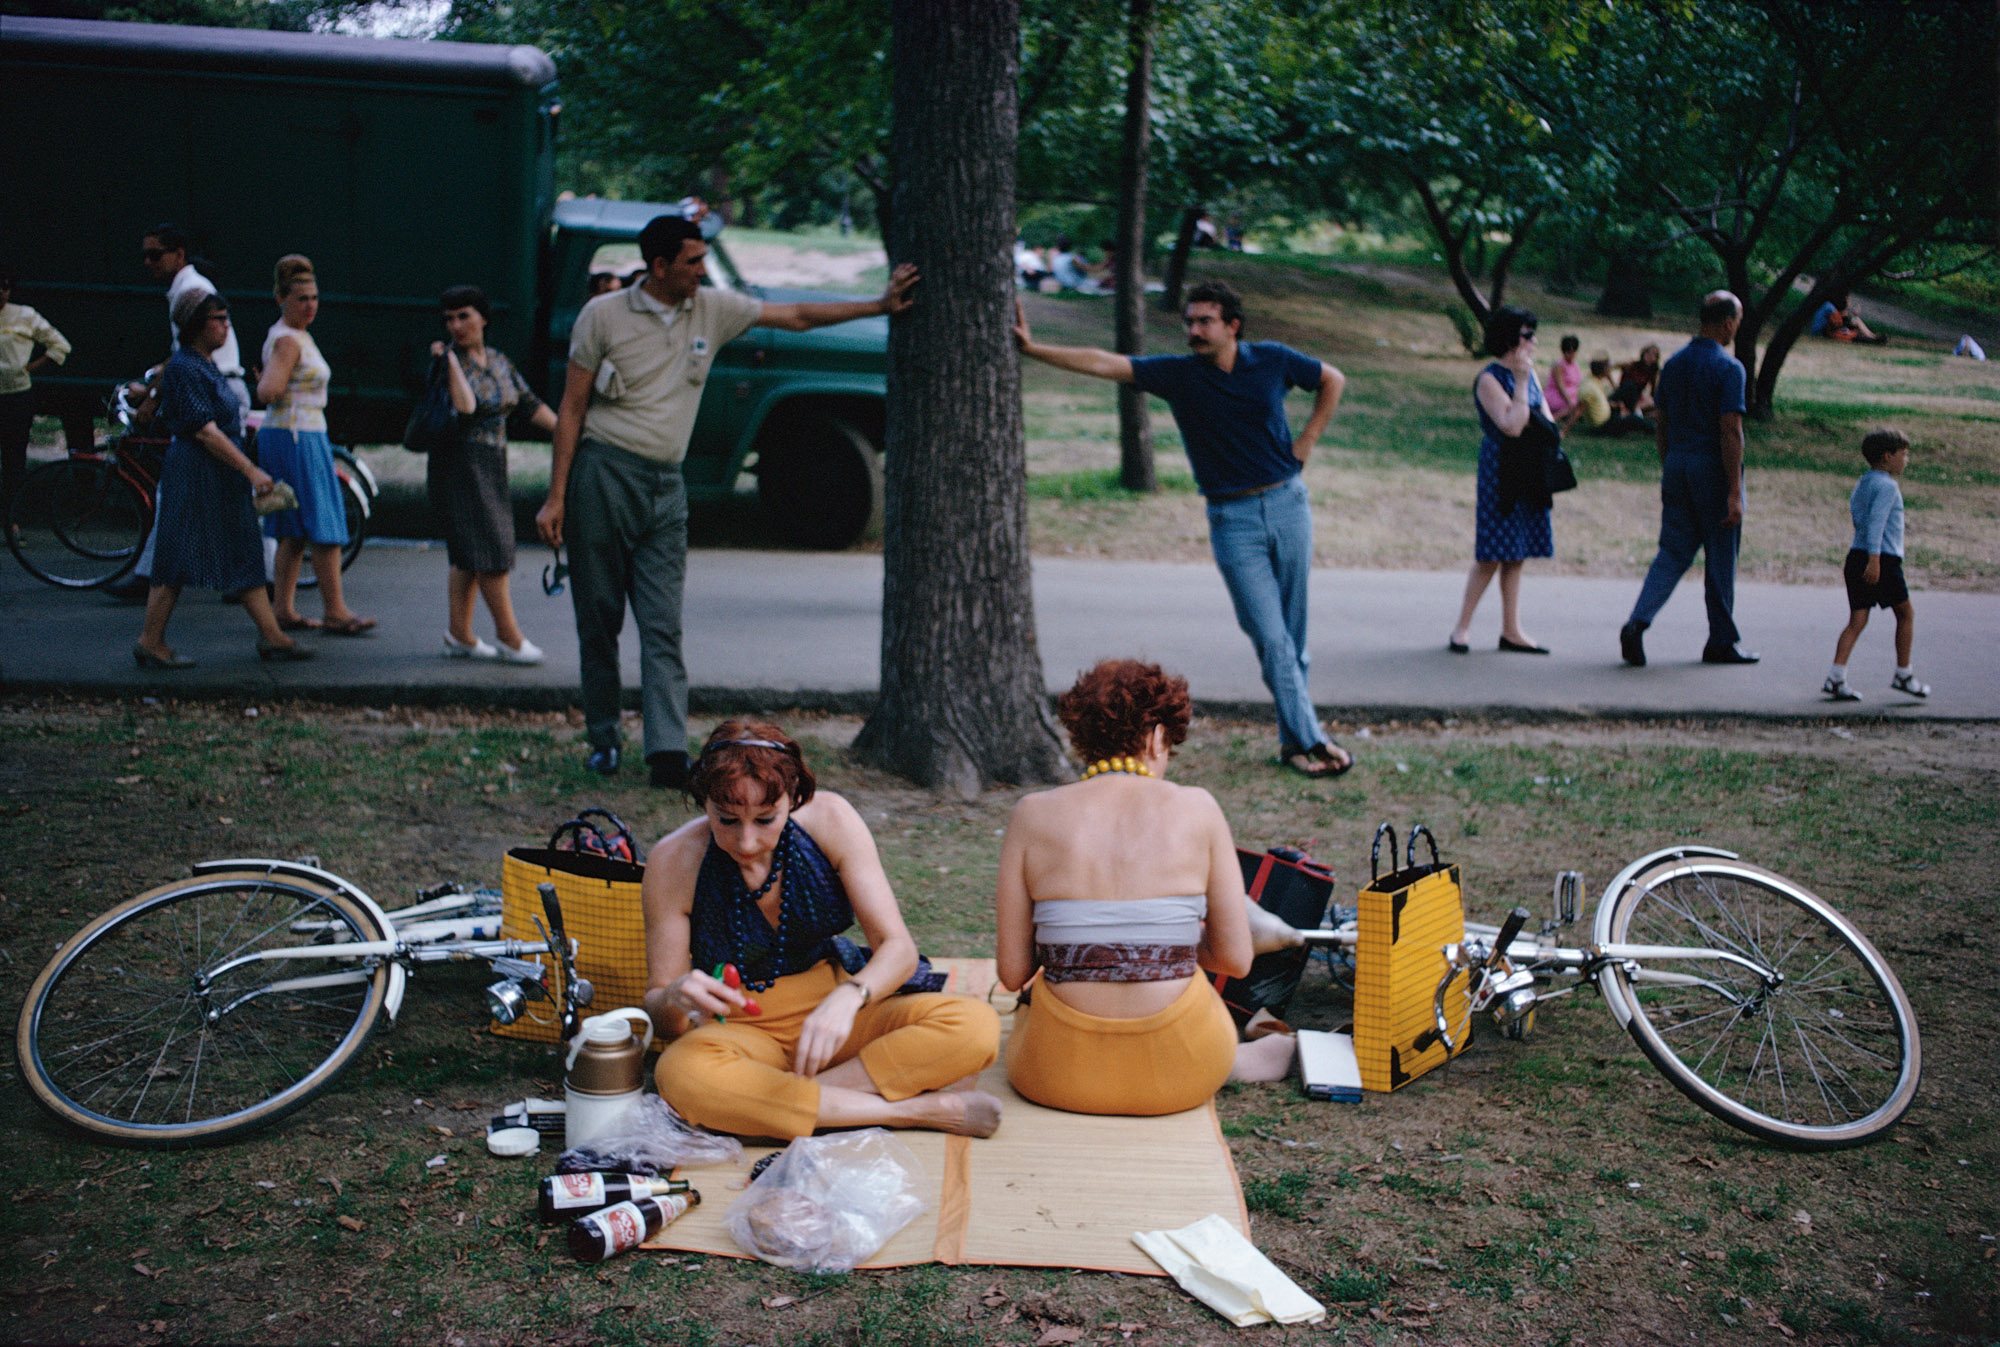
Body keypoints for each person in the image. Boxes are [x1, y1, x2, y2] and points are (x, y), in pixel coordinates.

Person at [536, 214, 919, 785]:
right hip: (604, 474)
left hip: (667, 485)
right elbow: (571, 408)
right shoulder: (603, 315)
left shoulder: (710, 309)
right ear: (659, 266)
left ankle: (666, 753)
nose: (702, 270)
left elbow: (796, 316)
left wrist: (879, 305)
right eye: (692, 261)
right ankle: (604, 740)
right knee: (599, 620)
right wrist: (556, 497)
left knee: (663, 625)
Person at [1015, 281, 1353, 779]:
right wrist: (1034, 349)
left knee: (1291, 641)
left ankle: (1292, 742)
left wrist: (1308, 439)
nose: (1193, 330)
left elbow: (1332, 379)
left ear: (1232, 326)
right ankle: (1312, 739)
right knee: (1272, 638)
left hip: (1289, 505)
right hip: (1233, 521)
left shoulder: (1272, 360)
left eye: (1204, 321)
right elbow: (1105, 363)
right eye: (1189, 322)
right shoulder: (1179, 375)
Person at [643, 722, 1003, 1140]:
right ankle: (907, 1112)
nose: (746, 842)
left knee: (975, 1027)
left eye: (765, 819)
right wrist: (675, 995)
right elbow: (664, 1022)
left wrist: (849, 998)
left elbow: (898, 949)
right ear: (703, 800)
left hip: (836, 1016)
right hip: (741, 1032)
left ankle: (775, 1108)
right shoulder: (673, 860)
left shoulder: (831, 819)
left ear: (794, 797)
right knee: (682, 1073)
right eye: (726, 820)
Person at [995, 660, 1256, 1115]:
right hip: (1185, 1071)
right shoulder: (1199, 808)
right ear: (1156, 737)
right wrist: (1166, 943)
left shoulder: (1031, 814)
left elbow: (1013, 973)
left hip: (1054, 1075)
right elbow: (1236, 959)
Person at [133, 291, 309, 668]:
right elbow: (205, 431)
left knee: (243, 549)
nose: (227, 326)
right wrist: (250, 469)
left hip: (218, 472)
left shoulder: (203, 364)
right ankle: (150, 641)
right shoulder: (186, 367)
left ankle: (272, 636)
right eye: (219, 319)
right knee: (178, 553)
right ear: (197, 324)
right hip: (197, 472)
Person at [111, 224, 256, 603]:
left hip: (213, 390)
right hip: (215, 386)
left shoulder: (191, 291)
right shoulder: (187, 287)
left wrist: (152, 398)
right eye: (145, 255)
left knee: (198, 490)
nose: (148, 262)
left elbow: (184, 356)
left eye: (155, 254)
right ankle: (250, 580)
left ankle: (155, 578)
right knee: (217, 491)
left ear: (179, 255)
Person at [1619, 292, 1758, 667]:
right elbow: (1730, 430)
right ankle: (1721, 641)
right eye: (1737, 320)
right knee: (1721, 556)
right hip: (1712, 468)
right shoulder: (1729, 369)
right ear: (1727, 322)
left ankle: (1637, 622)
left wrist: (1669, 464)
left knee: (1673, 551)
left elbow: (1661, 422)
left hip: (1678, 463)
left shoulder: (1674, 365)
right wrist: (1734, 490)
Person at [429, 284, 557, 663]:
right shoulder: (446, 363)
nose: (456, 326)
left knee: (469, 553)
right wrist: (451, 362)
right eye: (449, 319)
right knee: (492, 549)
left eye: (464, 316)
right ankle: (509, 637)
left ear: (483, 318)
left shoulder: (499, 361)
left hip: (492, 461)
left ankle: (459, 636)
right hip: (459, 463)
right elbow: (466, 406)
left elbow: (529, 404)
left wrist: (569, 435)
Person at [255, 255, 375, 637]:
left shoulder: (294, 335)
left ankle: (283, 610)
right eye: (301, 298)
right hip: (297, 435)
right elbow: (268, 391)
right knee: (325, 522)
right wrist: (269, 382)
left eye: (314, 298)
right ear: (281, 299)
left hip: (296, 433)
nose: (310, 305)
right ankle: (335, 611)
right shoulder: (289, 341)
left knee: (293, 527)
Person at [1449, 307, 1553, 656]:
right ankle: (1462, 628)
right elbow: (1512, 425)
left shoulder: (1530, 375)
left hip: (1529, 468)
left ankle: (1512, 630)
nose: (1534, 342)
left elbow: (1547, 422)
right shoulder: (1489, 379)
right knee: (1491, 553)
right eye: (1528, 335)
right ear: (1510, 339)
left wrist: (1526, 384)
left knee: (1516, 553)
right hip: (1501, 470)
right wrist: (1521, 384)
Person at [1825, 429, 1929, 701]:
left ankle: (1836, 676)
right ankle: (1903, 674)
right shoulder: (1887, 487)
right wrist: (1875, 560)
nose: (1906, 460)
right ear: (1887, 457)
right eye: (1903, 454)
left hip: (1856, 556)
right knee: (1906, 614)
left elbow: (1860, 518)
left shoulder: (1864, 482)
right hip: (1881, 559)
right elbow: (1876, 524)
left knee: (1857, 619)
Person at [0, 265, 72, 516]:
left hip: (16, 397)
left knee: (13, 458)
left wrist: (30, 368)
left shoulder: (25, 315)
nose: (1, 292)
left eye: (5, 287)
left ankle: (11, 518)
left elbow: (60, 346)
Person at [1610, 343, 1661, 421]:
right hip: (1624, 394)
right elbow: (1608, 368)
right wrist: (1613, 385)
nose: (1650, 356)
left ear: (1656, 359)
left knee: (1654, 403)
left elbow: (1653, 392)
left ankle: (1635, 413)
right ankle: (1636, 414)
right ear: (1643, 353)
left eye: (1654, 354)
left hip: (1636, 399)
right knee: (1631, 386)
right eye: (1648, 352)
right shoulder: (1632, 365)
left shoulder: (1652, 371)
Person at [1810, 293, 1884, 345]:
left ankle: (1872, 336)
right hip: (1825, 333)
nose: (1849, 303)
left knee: (1856, 323)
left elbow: (1840, 321)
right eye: (1848, 300)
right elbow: (1837, 323)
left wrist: (1850, 316)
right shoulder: (1831, 309)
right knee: (1855, 331)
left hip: (1832, 331)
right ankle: (1873, 338)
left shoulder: (1830, 306)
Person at [1544, 335, 1584, 427]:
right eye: (1568, 352)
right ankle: (1551, 419)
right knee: (1574, 405)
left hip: (1572, 395)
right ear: (1563, 351)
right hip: (1558, 395)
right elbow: (1560, 387)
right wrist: (1569, 402)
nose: (1571, 355)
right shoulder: (1559, 365)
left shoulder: (1574, 364)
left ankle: (1570, 416)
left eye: (1573, 352)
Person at [1575, 356, 1616, 432]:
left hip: (1606, 415)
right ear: (1604, 370)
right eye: (1608, 368)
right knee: (1633, 419)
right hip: (1601, 425)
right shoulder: (1589, 388)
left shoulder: (1594, 379)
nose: (1610, 371)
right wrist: (1564, 430)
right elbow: (1579, 409)